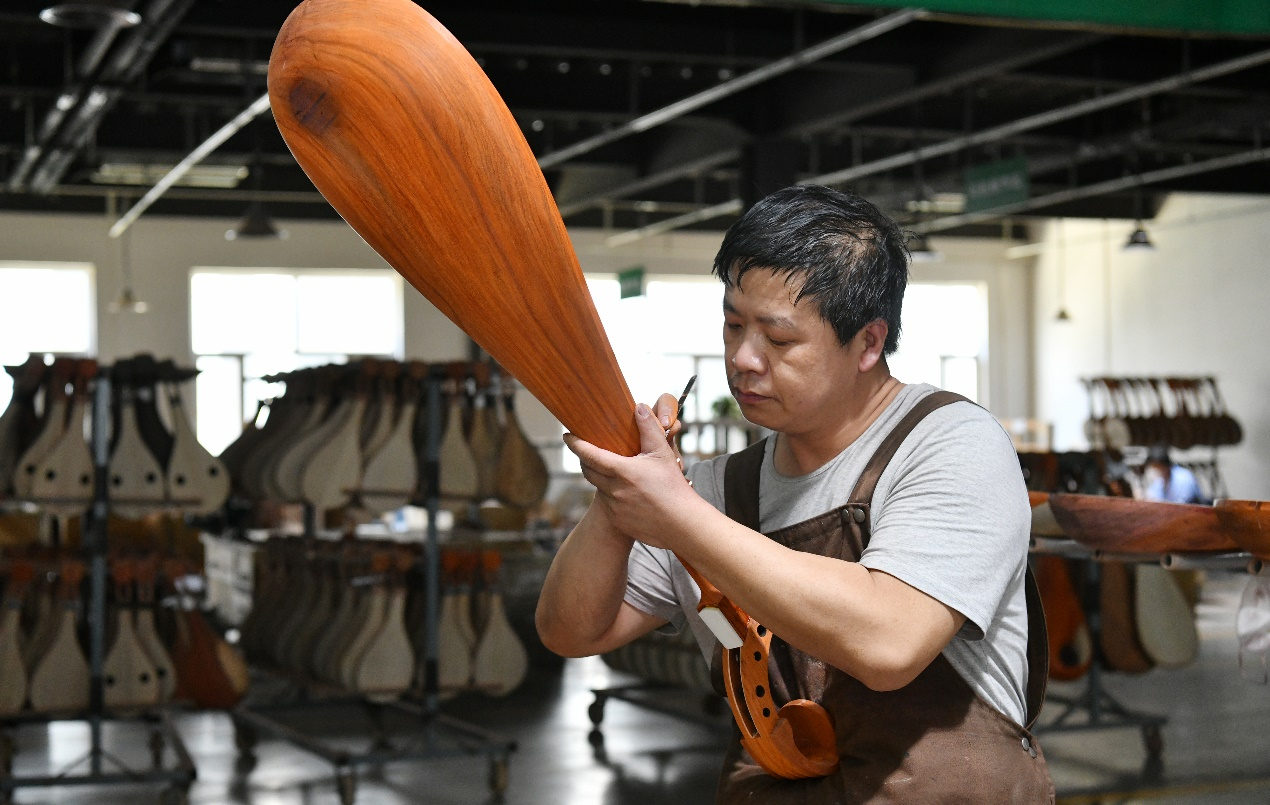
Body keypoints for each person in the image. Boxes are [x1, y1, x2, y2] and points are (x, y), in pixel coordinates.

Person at [536, 185, 1053, 802]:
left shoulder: (950, 444)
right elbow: (570, 632)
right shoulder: (714, 490)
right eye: (732, 325)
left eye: (778, 341)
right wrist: (618, 493)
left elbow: (891, 641)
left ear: (867, 342)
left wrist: (676, 516)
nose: (743, 358)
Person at [1143, 442, 1209, 504]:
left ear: (1164, 465)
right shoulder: (1160, 481)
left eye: (1156, 466)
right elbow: (1153, 497)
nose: (1154, 470)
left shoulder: (1184, 478)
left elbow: (1184, 505)